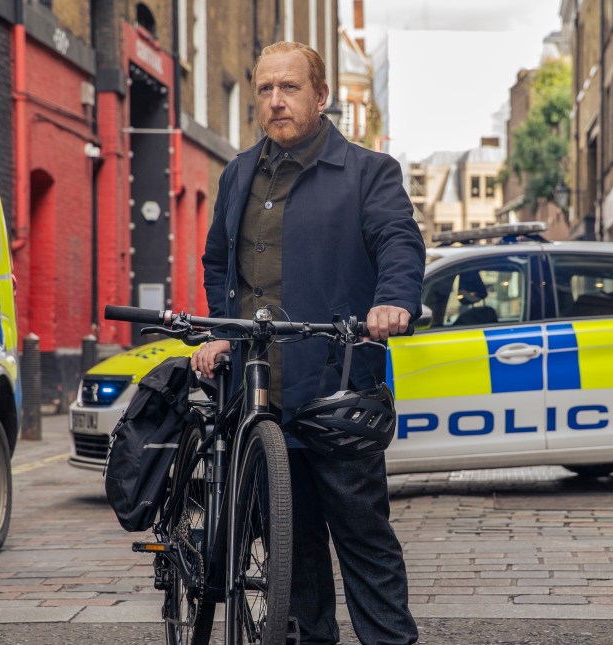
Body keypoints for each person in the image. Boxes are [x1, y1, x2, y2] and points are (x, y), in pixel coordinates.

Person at [195, 41, 424, 645]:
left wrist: (393, 299)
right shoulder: (238, 173)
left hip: (337, 390)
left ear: (321, 97)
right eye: (265, 89)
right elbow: (220, 264)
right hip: (261, 394)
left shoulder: (369, 173)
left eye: (289, 88)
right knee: (289, 554)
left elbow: (399, 240)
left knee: (363, 542)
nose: (276, 101)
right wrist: (222, 331)